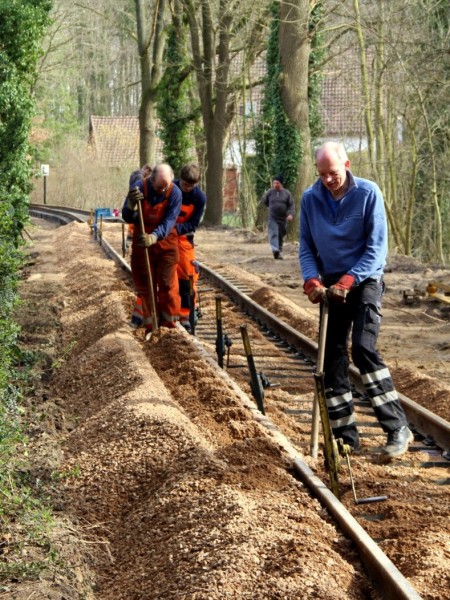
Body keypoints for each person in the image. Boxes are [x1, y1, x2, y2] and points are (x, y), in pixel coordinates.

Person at [299, 141, 413, 459]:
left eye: (332, 173)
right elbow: (306, 246)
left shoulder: (368, 193)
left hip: (365, 281)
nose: (327, 180)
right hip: (331, 284)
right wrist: (311, 279)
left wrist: (350, 279)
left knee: (363, 349)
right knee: (332, 357)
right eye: (321, 175)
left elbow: (377, 249)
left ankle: (397, 429)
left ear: (346, 165)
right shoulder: (310, 199)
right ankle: (345, 437)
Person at [122, 163, 182, 331]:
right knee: (146, 285)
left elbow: (170, 221)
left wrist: (154, 236)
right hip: (143, 244)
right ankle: (151, 326)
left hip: (166, 244)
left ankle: (169, 326)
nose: (163, 190)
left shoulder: (175, 192)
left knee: (167, 285)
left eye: (166, 187)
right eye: (159, 187)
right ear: (151, 180)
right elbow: (127, 216)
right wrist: (130, 204)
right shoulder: (139, 188)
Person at [174, 164, 207, 332]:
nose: (187, 189)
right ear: (180, 180)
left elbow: (193, 223)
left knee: (188, 275)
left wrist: (176, 229)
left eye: (191, 186)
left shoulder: (199, 197)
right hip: (164, 237)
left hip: (184, 240)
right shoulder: (171, 189)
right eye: (185, 185)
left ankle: (185, 314)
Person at [261, 175, 295, 259]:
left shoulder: (287, 193)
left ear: (281, 184)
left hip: (283, 219)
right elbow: (265, 201)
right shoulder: (270, 192)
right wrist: (272, 208)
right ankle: (275, 249)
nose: (275, 184)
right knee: (274, 233)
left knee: (280, 235)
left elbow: (291, 205)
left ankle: (278, 251)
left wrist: (290, 214)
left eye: (277, 183)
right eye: (274, 183)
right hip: (272, 217)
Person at [127, 164, 152, 241]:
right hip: (136, 200)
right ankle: (132, 233)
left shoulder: (134, 174)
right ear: (147, 170)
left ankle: (131, 233)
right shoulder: (139, 176)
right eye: (149, 174)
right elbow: (138, 189)